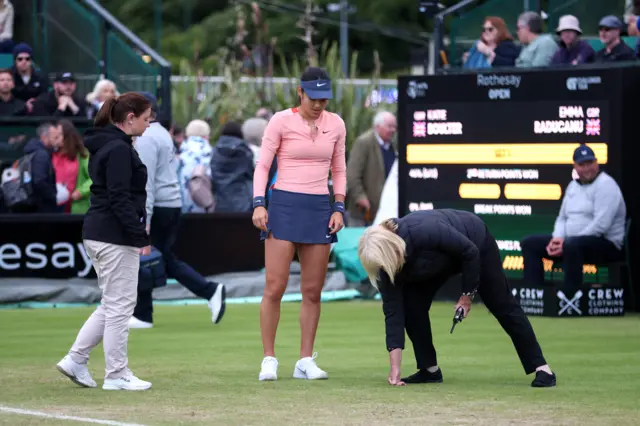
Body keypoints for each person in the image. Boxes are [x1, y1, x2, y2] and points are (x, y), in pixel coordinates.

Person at [357, 209, 557, 388]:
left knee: (502, 304)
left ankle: (542, 368)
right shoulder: (387, 267)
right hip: (432, 264)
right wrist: (395, 369)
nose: (381, 269)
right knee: (412, 309)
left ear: (390, 250)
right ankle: (430, 370)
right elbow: (393, 313)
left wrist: (466, 296)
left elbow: (470, 252)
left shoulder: (426, 230)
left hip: (473, 243)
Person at [252, 67, 346, 381]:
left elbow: (339, 169)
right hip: (283, 204)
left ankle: (305, 360)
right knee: (275, 287)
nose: (319, 105)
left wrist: (339, 207)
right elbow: (263, 165)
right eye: (313, 98)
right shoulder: (280, 120)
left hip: (319, 207)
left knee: (313, 291)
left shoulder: (336, 124)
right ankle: (269, 358)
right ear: (300, 92)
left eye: (324, 99)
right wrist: (259, 203)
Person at [55, 92, 153, 391]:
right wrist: (140, 236)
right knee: (121, 306)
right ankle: (116, 373)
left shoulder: (109, 145)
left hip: (102, 232)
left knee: (112, 304)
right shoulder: (119, 149)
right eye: (147, 119)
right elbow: (119, 197)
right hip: (113, 235)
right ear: (130, 118)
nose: (149, 125)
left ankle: (76, 359)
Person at [131, 91, 226, 329]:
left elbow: (147, 181)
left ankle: (144, 314)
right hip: (170, 204)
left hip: (161, 206)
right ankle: (143, 313)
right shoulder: (160, 133)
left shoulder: (146, 137)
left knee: (149, 257)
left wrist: (145, 218)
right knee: (159, 257)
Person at [521, 145, 626, 297]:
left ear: (597, 163)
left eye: (590, 163)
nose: (586, 168)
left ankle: (569, 296)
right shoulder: (572, 186)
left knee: (572, 246)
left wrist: (567, 242)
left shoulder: (606, 185)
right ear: (575, 167)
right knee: (530, 243)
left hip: (605, 245)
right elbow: (562, 218)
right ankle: (534, 296)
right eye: (582, 165)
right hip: (570, 243)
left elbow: (601, 225)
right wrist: (557, 239)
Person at [53, 119, 92, 214]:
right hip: (55, 208)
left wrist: (81, 191)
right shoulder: (52, 154)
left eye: (59, 134)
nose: (56, 137)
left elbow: (95, 178)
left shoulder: (82, 155)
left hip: (76, 207)